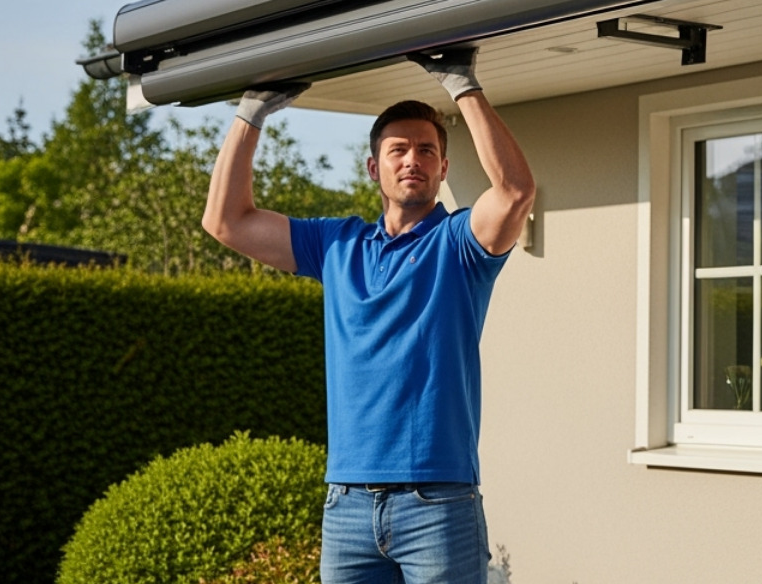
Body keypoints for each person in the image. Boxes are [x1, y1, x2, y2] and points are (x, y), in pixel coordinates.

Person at [202, 48, 535, 584]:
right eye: (398, 149)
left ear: (443, 168)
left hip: (438, 504)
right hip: (347, 505)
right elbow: (225, 221)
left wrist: (460, 83)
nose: (413, 160)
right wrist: (251, 114)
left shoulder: (460, 244)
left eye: (427, 151)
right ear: (372, 166)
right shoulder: (335, 245)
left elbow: (516, 191)